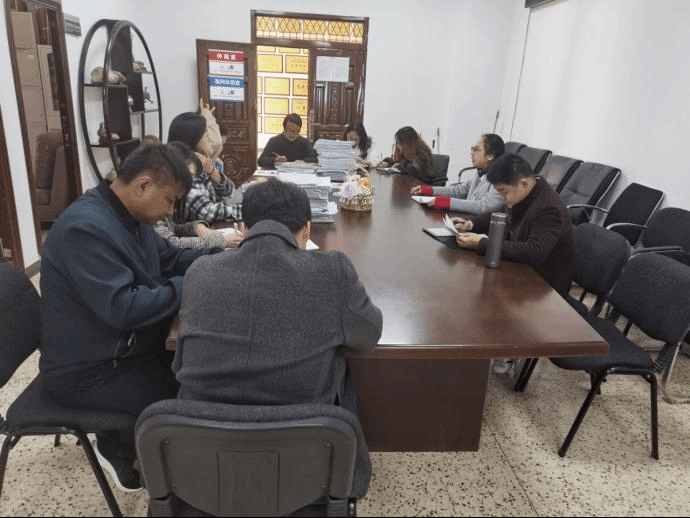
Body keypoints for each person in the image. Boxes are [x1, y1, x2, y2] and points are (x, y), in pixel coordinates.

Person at [39, 143, 218, 492]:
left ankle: (128, 440)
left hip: (125, 349)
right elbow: (125, 308)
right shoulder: (85, 229)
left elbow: (171, 259)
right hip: (89, 371)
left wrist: (222, 262)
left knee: (202, 367)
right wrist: (193, 284)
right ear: (143, 185)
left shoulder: (129, 216)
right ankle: (122, 447)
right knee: (192, 395)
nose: (170, 212)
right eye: (169, 201)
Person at [173, 178, 383, 414]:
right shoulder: (334, 270)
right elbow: (368, 337)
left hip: (201, 427)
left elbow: (179, 363)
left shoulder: (200, 271)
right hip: (303, 427)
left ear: (244, 229)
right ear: (307, 231)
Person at [452, 153, 575, 375]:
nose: (502, 198)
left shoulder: (548, 208)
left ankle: (500, 347)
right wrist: (470, 223)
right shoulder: (523, 194)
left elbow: (534, 252)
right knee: (469, 284)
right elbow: (501, 214)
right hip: (524, 270)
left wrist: (482, 243)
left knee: (479, 291)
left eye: (503, 192)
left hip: (543, 287)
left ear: (524, 183)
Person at [154, 142, 243, 249]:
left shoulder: (169, 194)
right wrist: (219, 241)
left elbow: (170, 229)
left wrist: (195, 227)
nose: (190, 183)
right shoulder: (155, 200)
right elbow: (168, 244)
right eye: (188, 176)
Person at [168, 111, 242, 223]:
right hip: (194, 231)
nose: (210, 139)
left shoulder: (203, 162)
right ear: (193, 139)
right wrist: (245, 210)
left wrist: (213, 172)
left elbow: (230, 193)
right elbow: (207, 212)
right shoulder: (186, 168)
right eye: (206, 134)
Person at [410, 134, 505, 214]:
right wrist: (429, 190)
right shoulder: (479, 174)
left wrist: (447, 202)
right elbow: (458, 191)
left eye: (476, 149)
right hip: (465, 220)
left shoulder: (500, 180)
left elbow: (483, 206)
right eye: (472, 149)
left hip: (477, 227)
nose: (472, 153)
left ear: (490, 156)